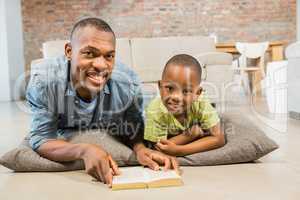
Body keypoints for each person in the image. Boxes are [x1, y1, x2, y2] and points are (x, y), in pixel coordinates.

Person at [26, 17, 178, 187]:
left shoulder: (128, 84)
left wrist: (140, 149)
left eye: (109, 56)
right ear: (69, 51)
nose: (100, 65)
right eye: (89, 53)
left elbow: (133, 127)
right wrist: (84, 150)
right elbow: (41, 138)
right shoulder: (45, 82)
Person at [144, 54, 225, 156]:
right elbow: (157, 148)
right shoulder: (155, 110)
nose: (176, 97)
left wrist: (181, 150)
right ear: (160, 86)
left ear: (197, 93)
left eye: (186, 91)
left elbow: (219, 138)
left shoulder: (201, 102)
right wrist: (189, 136)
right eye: (169, 88)